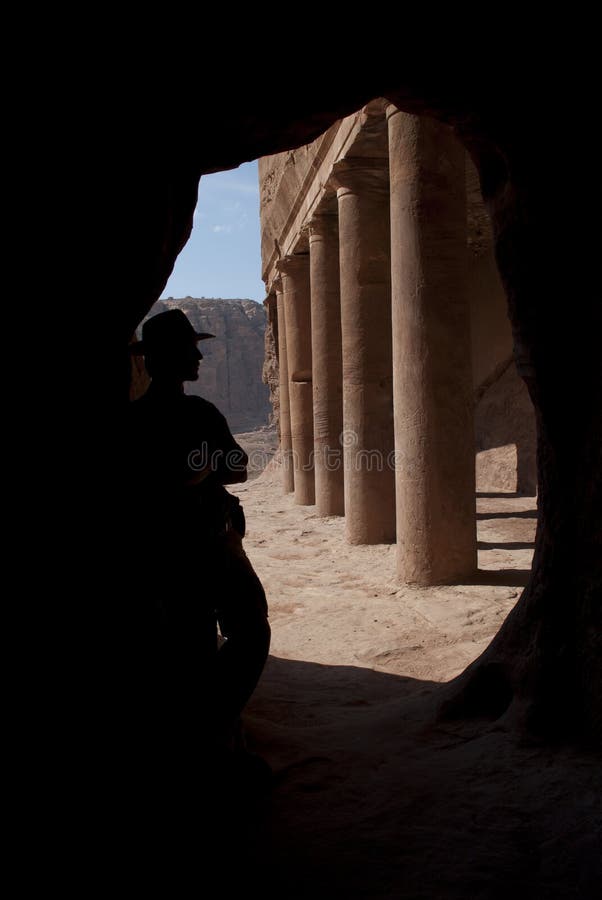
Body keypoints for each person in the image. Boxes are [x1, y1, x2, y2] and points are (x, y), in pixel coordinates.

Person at [127, 308, 271, 783]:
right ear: (166, 358)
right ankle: (211, 735)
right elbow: (237, 467)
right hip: (204, 549)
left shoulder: (134, 419)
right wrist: (200, 470)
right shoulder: (199, 413)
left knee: (188, 646)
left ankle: (201, 738)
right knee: (246, 631)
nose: (199, 357)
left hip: (162, 553)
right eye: (190, 349)